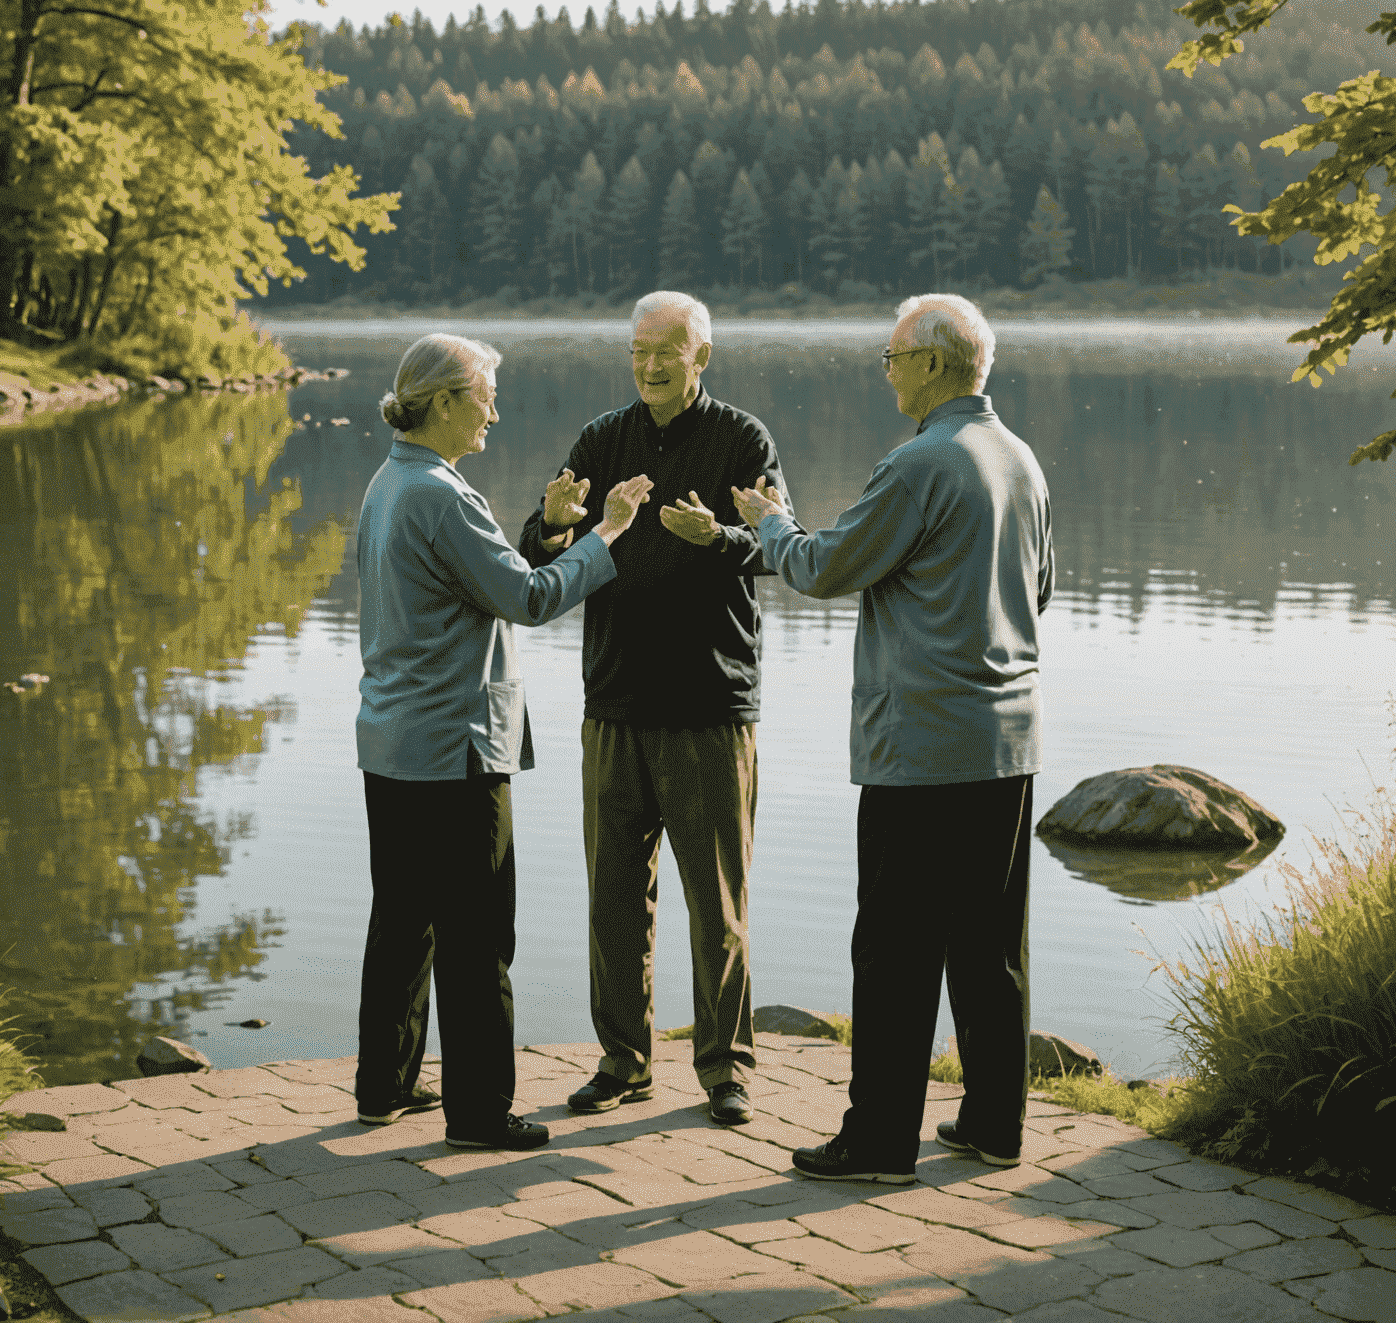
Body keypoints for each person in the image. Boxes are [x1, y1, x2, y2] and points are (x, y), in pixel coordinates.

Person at [732, 294, 1053, 1182]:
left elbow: (827, 567)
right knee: (990, 947)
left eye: (893, 356)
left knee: (895, 950)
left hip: (922, 748)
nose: (887, 370)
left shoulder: (920, 463)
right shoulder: (1019, 460)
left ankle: (877, 1142)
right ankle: (996, 1123)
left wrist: (769, 524)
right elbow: (1042, 588)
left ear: (935, 365)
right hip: (1007, 740)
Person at [354, 333, 652, 1151]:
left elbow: (472, 583)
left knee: (403, 920)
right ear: (445, 400)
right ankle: (479, 1113)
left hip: (392, 741)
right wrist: (606, 535)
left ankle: (384, 1084)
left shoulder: (392, 482)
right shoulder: (442, 496)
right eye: (485, 394)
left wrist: (553, 528)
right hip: (453, 747)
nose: (495, 409)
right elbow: (524, 599)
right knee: (480, 933)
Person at [517, 292, 793, 1127]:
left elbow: (778, 546)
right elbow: (539, 543)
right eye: (637, 350)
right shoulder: (605, 439)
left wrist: (716, 538)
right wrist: (557, 525)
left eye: (664, 351)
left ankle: (726, 1071)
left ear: (699, 356)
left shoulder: (742, 440)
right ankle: (623, 1062)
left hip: (711, 707)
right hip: (615, 702)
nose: (647, 365)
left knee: (717, 908)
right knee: (612, 905)